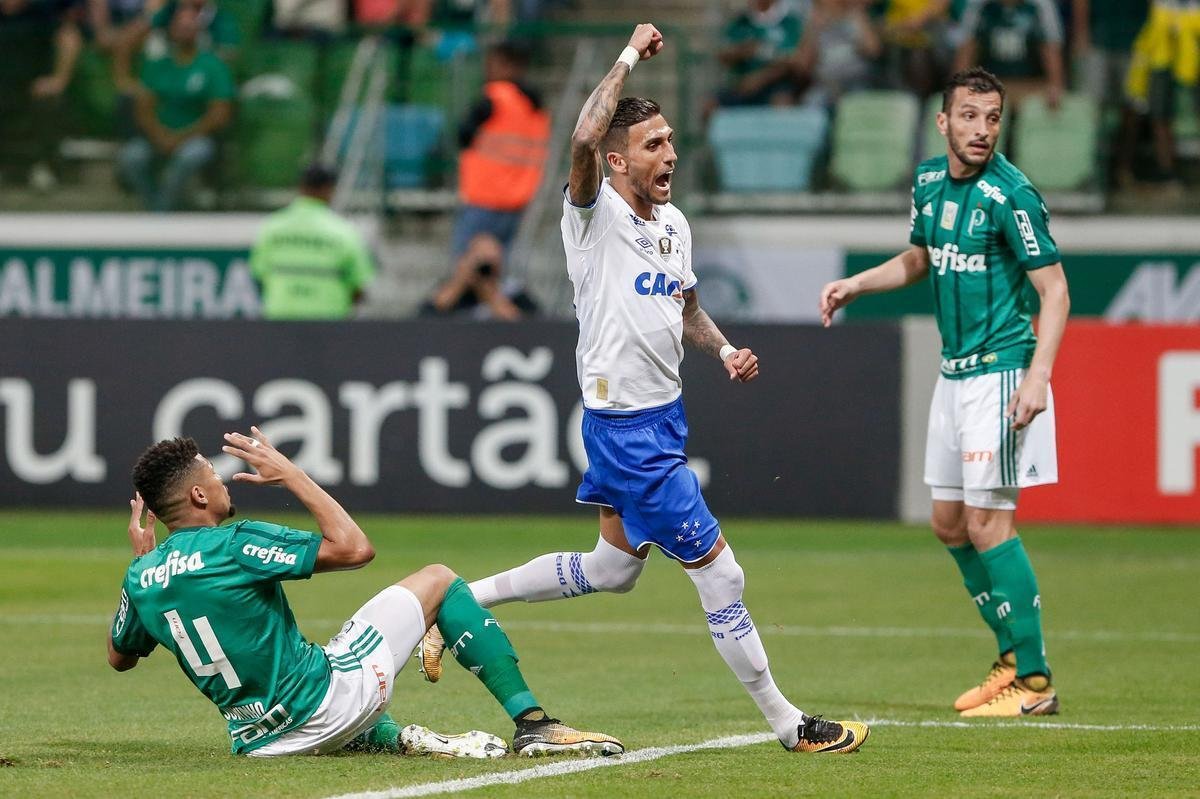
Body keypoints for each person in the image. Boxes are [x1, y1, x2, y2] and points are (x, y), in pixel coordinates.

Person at [419, 23, 870, 755]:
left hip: (661, 419)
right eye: (655, 144)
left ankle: (456, 599)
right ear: (619, 160)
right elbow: (581, 138)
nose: (672, 154)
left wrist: (723, 349)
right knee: (723, 572)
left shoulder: (675, 225)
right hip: (625, 429)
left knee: (611, 570)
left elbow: (684, 306)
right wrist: (627, 55)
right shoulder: (591, 218)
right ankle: (789, 724)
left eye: (671, 141)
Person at [108, 429, 624, 758]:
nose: (225, 485)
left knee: (328, 653)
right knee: (439, 579)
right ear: (199, 495)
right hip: (326, 705)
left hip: (261, 744)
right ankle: (534, 725)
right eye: (215, 478)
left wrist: (143, 563)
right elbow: (354, 548)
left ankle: (396, 737)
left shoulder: (142, 576)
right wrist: (293, 476)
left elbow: (119, 658)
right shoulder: (234, 542)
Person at [819, 67, 1070, 717]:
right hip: (954, 373)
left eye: (992, 118)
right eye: (970, 116)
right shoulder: (929, 181)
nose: (982, 129)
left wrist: (1039, 375)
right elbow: (919, 258)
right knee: (949, 523)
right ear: (944, 122)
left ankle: (1035, 680)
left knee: (990, 521)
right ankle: (1012, 654)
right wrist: (857, 285)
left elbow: (1056, 290)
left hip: (1004, 370)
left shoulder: (1013, 194)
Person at [424, 40, 549, 320]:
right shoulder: (536, 107)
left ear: (507, 65)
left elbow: (463, 134)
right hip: (517, 201)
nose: (487, 69)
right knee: (498, 274)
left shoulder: (497, 96)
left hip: (483, 198)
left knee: (467, 269)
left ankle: (464, 324)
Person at [115, 0, 233, 211]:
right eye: (180, 27)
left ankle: (164, 208)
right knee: (132, 156)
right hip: (158, 136)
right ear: (170, 30)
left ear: (199, 31)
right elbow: (143, 109)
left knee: (191, 155)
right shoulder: (158, 64)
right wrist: (160, 135)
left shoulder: (212, 66)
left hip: (194, 137)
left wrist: (182, 137)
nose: (184, 31)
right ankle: (154, 204)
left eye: (190, 27)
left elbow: (219, 114)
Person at [250, 164, 376, 321]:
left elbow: (259, 274)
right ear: (329, 189)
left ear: (301, 187)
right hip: (329, 320)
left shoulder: (272, 227)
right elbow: (359, 285)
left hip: (280, 317)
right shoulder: (344, 231)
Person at [954, 0, 1066, 109]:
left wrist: (1055, 87)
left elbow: (1051, 50)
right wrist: (959, 89)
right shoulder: (978, 5)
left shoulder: (1040, 5)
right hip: (989, 87)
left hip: (1031, 87)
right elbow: (966, 51)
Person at [714, 0, 808, 107]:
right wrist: (743, 50)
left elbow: (796, 61)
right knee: (710, 105)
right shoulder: (741, 21)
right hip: (742, 86)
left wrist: (761, 78)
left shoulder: (790, 22)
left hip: (776, 87)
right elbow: (722, 54)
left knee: (782, 104)